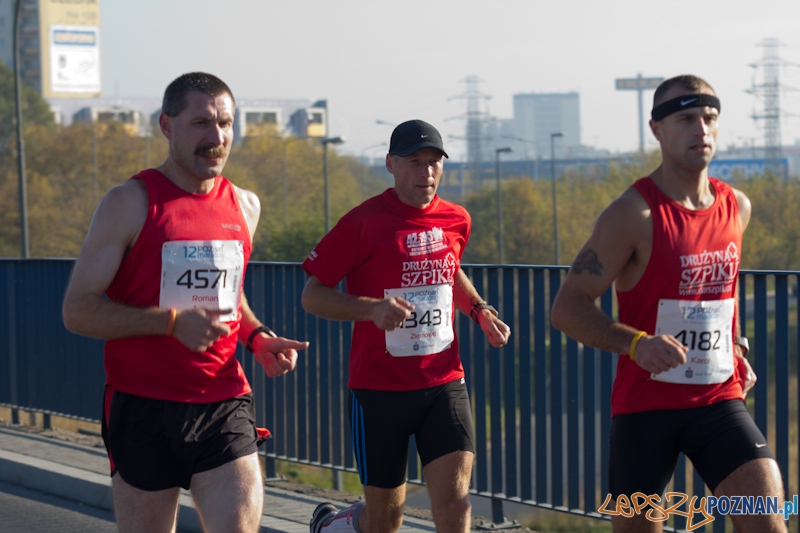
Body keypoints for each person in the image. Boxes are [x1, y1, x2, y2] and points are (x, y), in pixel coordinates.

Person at [62, 72, 309, 533]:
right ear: (167, 126)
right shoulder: (130, 203)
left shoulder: (245, 205)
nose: (216, 137)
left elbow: (229, 297)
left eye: (226, 124)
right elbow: (78, 310)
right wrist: (171, 323)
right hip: (142, 407)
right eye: (200, 123)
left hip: (223, 401)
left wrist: (255, 336)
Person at [551, 75, 786, 533]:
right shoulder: (633, 214)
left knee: (766, 514)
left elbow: (718, 290)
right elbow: (567, 307)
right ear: (657, 128)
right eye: (686, 119)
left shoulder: (736, 206)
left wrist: (733, 343)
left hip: (718, 399)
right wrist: (636, 344)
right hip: (646, 408)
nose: (701, 130)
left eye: (709, 118)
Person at [301, 119, 511, 533]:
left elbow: (449, 272)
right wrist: (371, 310)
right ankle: (334, 525)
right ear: (391, 164)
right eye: (415, 162)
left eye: (434, 162)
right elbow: (312, 294)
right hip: (379, 392)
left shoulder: (456, 219)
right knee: (385, 521)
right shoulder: (362, 223)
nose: (426, 172)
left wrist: (480, 309)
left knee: (456, 509)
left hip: (443, 382)